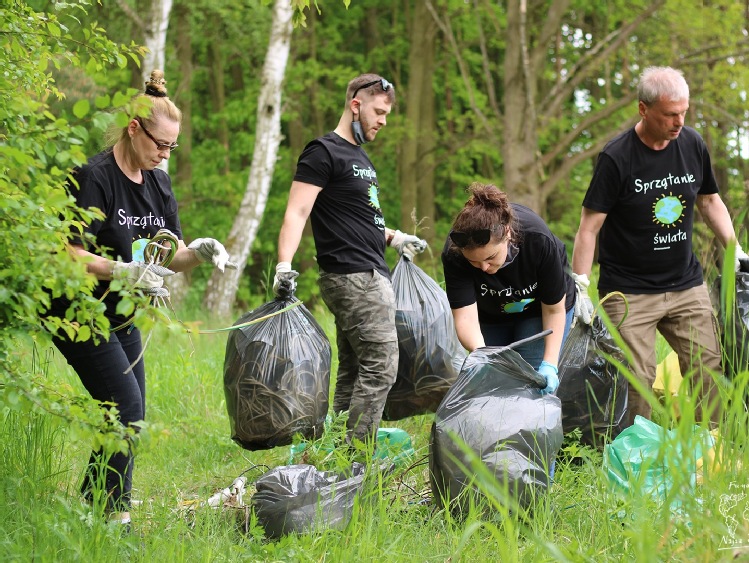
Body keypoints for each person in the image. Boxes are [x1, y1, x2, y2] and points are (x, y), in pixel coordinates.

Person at [48, 70, 236, 527]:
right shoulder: (94, 177)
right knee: (125, 408)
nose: (165, 154)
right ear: (134, 128)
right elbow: (66, 251)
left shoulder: (159, 184)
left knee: (129, 413)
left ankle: (96, 506)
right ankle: (115, 519)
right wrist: (123, 270)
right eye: (160, 144)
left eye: (172, 147)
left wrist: (201, 251)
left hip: (122, 313)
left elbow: (170, 255)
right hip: (77, 310)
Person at [571, 66, 742, 428]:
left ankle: (706, 448)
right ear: (644, 109)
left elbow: (710, 201)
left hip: (685, 284)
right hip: (628, 290)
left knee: (707, 368)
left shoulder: (693, 144)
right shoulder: (616, 157)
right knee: (636, 379)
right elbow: (590, 227)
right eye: (670, 114)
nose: (679, 122)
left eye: (684, 112)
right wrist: (581, 286)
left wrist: (735, 250)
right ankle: (636, 453)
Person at [274, 73, 426, 447]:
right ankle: (357, 458)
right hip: (353, 276)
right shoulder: (322, 151)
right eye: (378, 112)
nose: (383, 121)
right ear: (355, 105)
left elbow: (361, 216)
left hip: (371, 270)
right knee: (382, 367)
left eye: (387, 115)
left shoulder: (360, 158)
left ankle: (335, 451)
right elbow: (298, 211)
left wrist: (394, 237)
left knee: (356, 369)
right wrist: (283, 263)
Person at [441, 182, 576, 394]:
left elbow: (553, 310)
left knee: (527, 381)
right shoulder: (455, 253)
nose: (484, 268)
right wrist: (483, 356)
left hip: (539, 311)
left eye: (490, 257)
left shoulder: (537, 239)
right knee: (491, 383)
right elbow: (465, 317)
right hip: (489, 314)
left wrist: (549, 365)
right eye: (474, 263)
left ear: (507, 233)